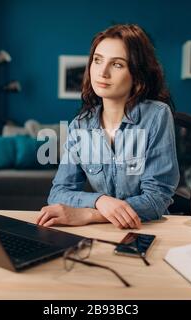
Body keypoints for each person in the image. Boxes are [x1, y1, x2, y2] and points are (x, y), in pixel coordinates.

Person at [36, 24, 179, 229]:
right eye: (97, 60)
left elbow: (156, 199)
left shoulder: (157, 116)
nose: (102, 72)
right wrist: (100, 201)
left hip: (147, 229)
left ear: (137, 75)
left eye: (117, 64)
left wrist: (89, 215)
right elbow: (58, 193)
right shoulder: (80, 125)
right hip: (102, 233)